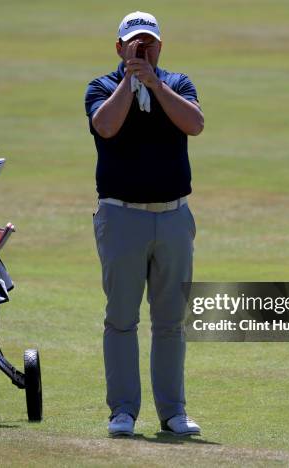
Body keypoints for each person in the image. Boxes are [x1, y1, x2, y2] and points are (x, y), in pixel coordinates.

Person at [84, 11, 204, 437]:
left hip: (172, 216)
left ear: (160, 46)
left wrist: (153, 82)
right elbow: (106, 126)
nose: (143, 50)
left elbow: (195, 123)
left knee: (171, 320)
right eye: (135, 44)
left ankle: (172, 413)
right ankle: (123, 412)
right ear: (119, 48)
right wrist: (129, 83)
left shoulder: (178, 83)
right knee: (121, 318)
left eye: (149, 43)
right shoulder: (101, 87)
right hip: (120, 217)